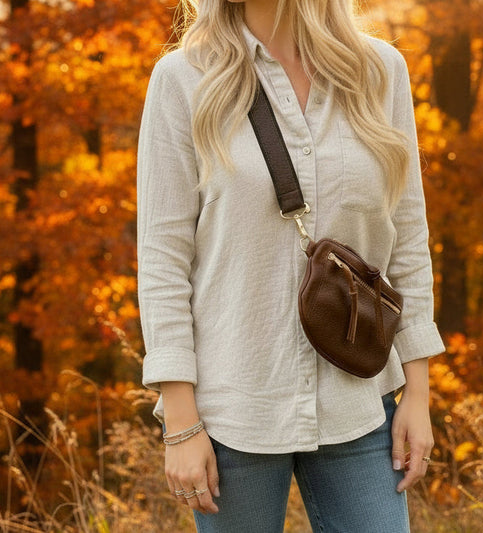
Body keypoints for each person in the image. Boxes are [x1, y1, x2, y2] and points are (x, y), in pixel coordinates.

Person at [136, 0, 446, 531]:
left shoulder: (380, 71)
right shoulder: (183, 79)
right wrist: (181, 422)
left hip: (359, 400)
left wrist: (417, 391)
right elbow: (163, 260)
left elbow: (408, 240)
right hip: (233, 407)